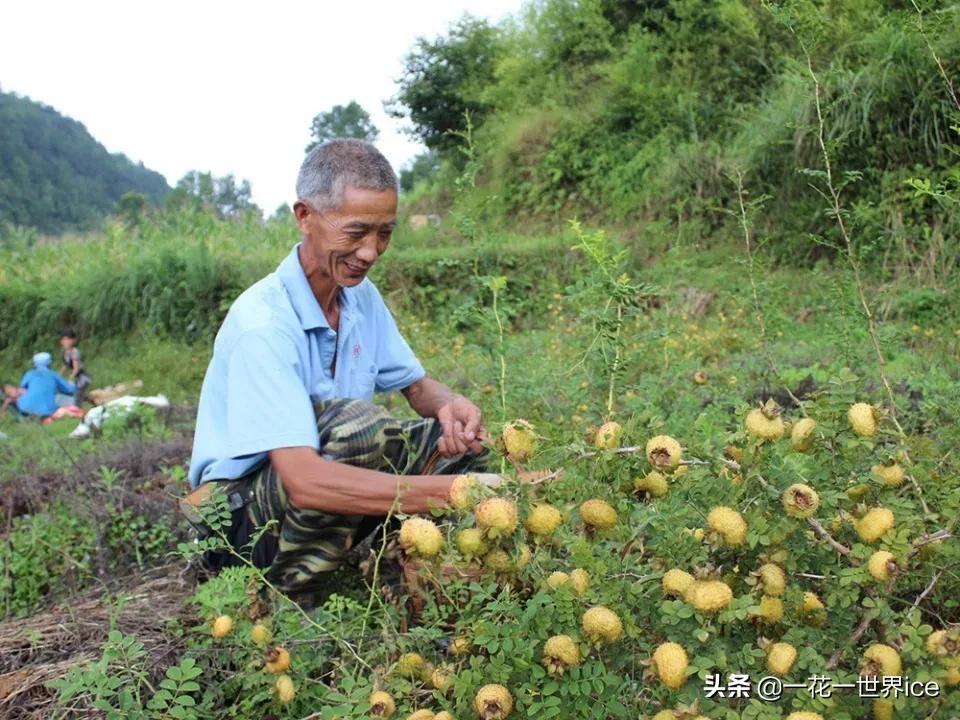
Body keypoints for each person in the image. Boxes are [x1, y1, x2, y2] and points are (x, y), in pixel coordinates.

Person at [187, 139, 498, 601]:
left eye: (384, 233)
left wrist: (450, 404)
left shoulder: (358, 296)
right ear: (305, 216)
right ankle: (290, 601)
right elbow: (304, 480)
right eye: (356, 232)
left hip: (311, 492)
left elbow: (416, 387)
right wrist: (454, 490)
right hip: (237, 521)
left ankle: (403, 582)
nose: (370, 252)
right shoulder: (264, 324)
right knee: (357, 429)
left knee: (460, 443)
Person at [13, 352, 84, 423]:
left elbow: (21, 389)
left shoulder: (29, 374)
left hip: (24, 407)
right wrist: (71, 383)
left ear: (35, 364)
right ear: (49, 364)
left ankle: (23, 418)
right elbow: (70, 390)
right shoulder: (53, 375)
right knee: (68, 399)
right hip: (47, 410)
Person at [59, 328, 92, 405]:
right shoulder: (65, 352)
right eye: (64, 339)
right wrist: (58, 375)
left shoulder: (74, 352)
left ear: (74, 341)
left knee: (77, 398)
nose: (66, 342)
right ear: (61, 341)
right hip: (76, 377)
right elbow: (65, 365)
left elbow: (76, 368)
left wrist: (70, 378)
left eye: (68, 339)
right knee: (77, 394)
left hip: (82, 377)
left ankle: (80, 406)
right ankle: (88, 398)